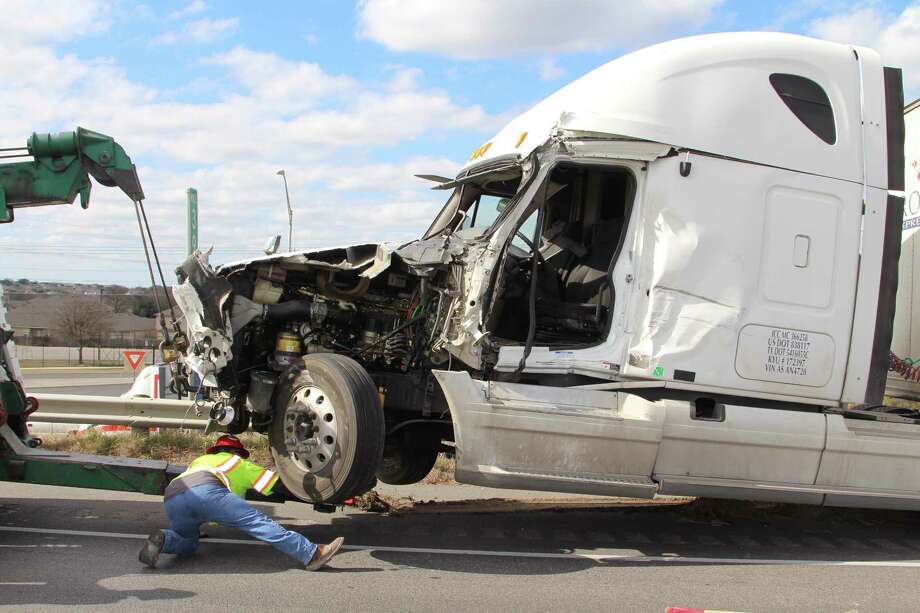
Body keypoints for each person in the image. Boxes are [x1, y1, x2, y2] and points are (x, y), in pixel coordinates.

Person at [138, 434, 343, 571]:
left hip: (173, 496)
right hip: (207, 492)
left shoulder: (200, 461)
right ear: (236, 452)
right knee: (258, 522)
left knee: (188, 543)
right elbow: (276, 485)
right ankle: (312, 554)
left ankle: (164, 539)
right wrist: (318, 490)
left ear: (216, 450)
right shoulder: (237, 462)